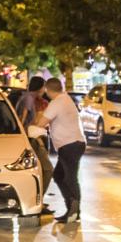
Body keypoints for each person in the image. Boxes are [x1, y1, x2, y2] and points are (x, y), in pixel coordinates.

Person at [36, 77, 86, 223]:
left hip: (69, 145)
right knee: (59, 175)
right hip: (73, 144)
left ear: (47, 90)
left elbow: (42, 123)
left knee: (70, 178)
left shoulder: (56, 102)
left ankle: (74, 211)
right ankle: (71, 208)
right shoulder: (66, 99)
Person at [15, 75, 54, 213]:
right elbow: (23, 118)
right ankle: (37, 201)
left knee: (37, 170)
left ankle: (36, 201)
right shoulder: (29, 98)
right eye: (43, 86)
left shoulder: (27, 97)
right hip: (31, 138)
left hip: (32, 137)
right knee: (47, 169)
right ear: (40, 87)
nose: (44, 90)